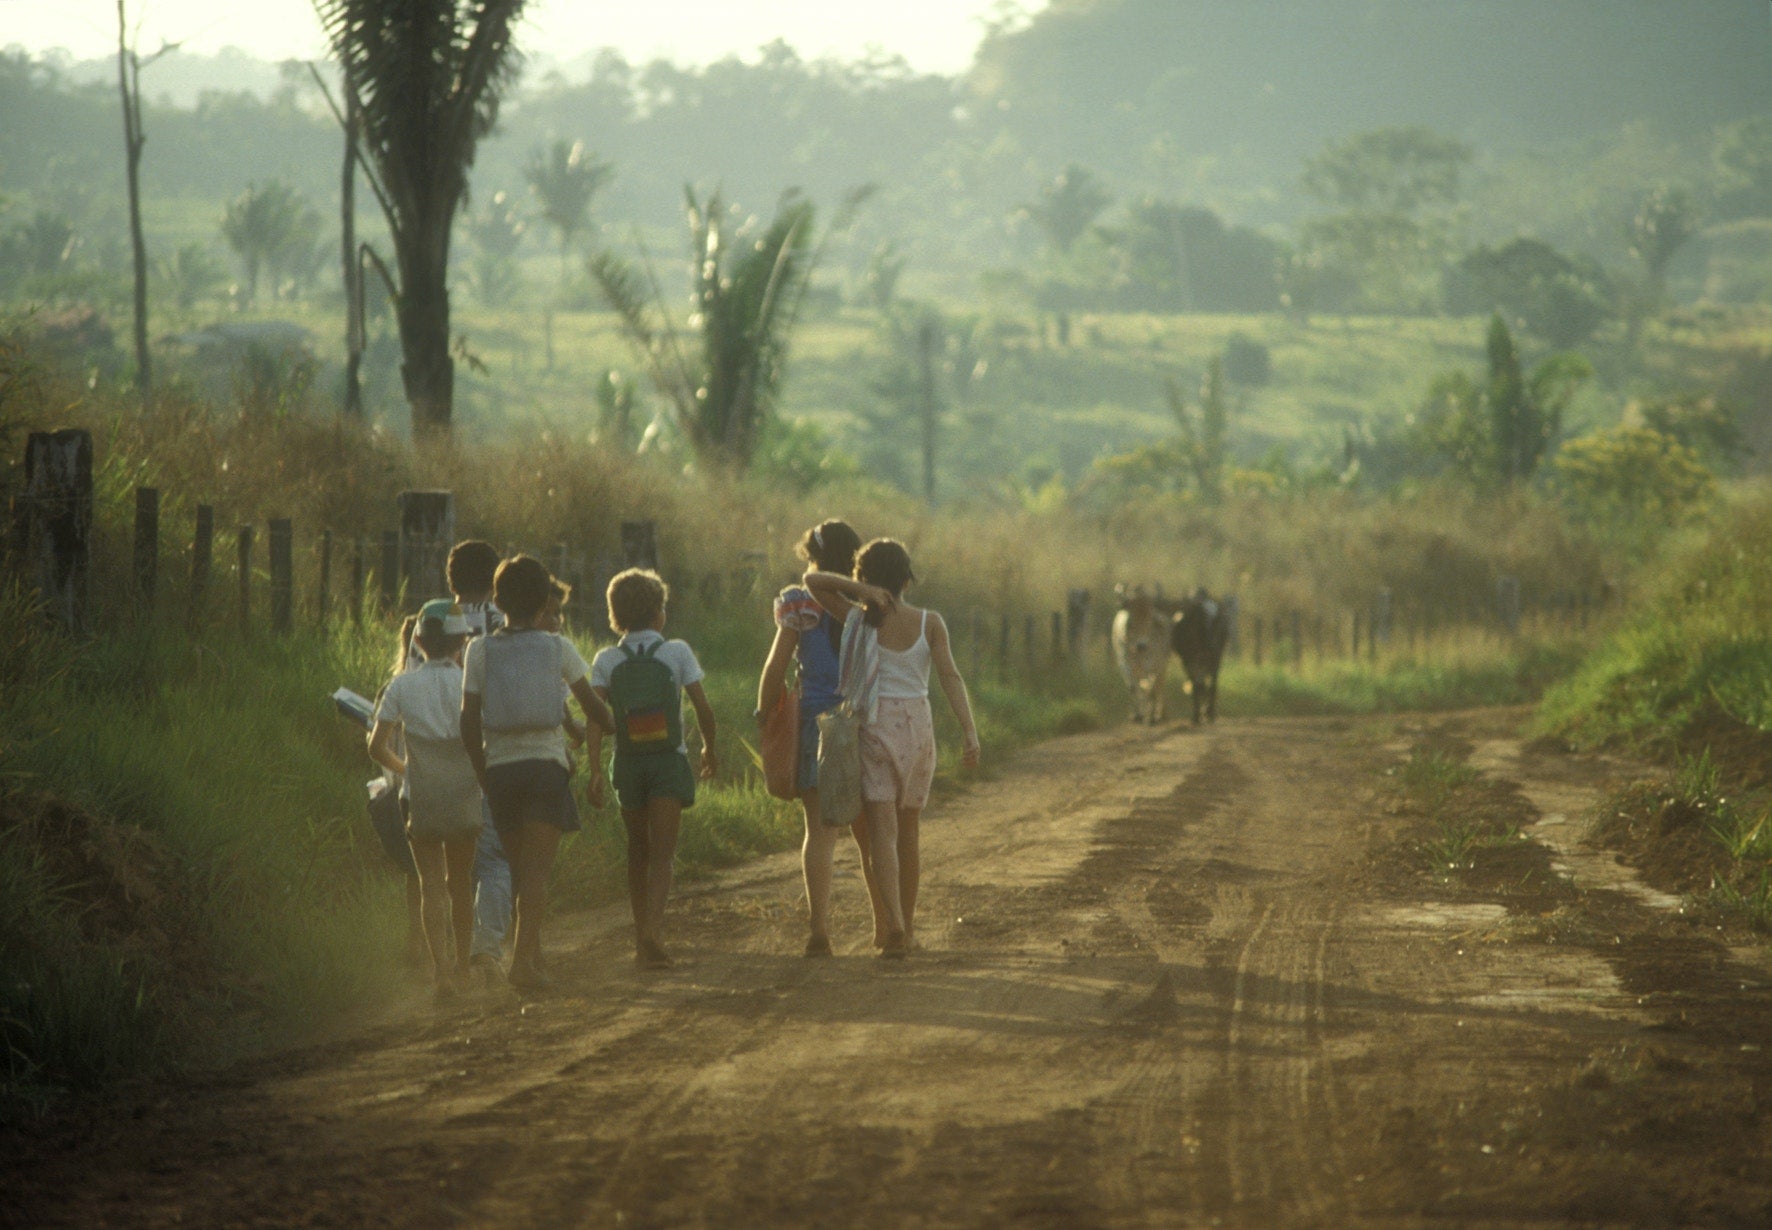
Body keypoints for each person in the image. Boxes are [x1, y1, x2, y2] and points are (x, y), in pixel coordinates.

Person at [806, 539, 981, 958]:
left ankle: (895, 927)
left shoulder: (855, 619)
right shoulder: (930, 622)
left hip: (874, 726)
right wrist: (969, 732)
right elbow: (950, 678)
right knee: (910, 833)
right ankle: (909, 923)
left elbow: (812, 580)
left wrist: (860, 592)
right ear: (907, 579)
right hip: (918, 729)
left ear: (864, 579)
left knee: (882, 834)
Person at [460, 555, 613, 993]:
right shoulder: (556, 647)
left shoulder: (480, 649)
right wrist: (617, 725)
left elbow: (468, 721)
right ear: (545, 599)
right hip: (546, 769)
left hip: (501, 771)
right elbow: (593, 708)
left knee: (516, 868)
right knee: (537, 874)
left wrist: (482, 773)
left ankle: (528, 956)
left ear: (497, 599)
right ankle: (523, 965)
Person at [757, 519, 886, 957]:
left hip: (817, 725)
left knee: (820, 832)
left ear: (813, 560)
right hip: (862, 723)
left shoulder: (799, 604)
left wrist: (764, 711)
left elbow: (776, 667)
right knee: (869, 835)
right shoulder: (868, 608)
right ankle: (884, 925)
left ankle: (820, 930)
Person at [586, 568, 718, 971]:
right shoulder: (676, 651)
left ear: (614, 615)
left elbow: (594, 718)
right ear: (660, 613)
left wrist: (593, 769)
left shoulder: (607, 659)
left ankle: (641, 929)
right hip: (667, 763)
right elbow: (702, 707)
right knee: (663, 855)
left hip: (627, 764)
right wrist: (710, 748)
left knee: (637, 852)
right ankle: (652, 934)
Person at [369, 600, 483, 1000]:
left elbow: (376, 747)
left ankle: (441, 975)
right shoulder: (471, 682)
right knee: (462, 882)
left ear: (418, 640)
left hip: (421, 799)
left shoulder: (402, 686)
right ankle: (465, 968)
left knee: (430, 884)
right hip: (465, 795)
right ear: (462, 642)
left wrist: (407, 770)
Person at [437, 540, 516, 986]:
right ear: (495, 577)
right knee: (493, 859)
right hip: (488, 750)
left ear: (450, 578)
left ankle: (442, 955)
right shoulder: (504, 622)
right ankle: (484, 949)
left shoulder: (431, 621)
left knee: (446, 864)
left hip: (437, 754)